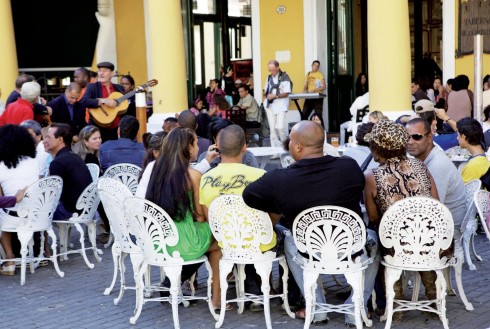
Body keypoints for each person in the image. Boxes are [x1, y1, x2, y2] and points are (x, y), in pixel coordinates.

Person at [243, 121, 377, 325]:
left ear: (297, 146)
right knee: (373, 239)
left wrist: (279, 204)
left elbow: (248, 196)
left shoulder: (279, 179)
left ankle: (316, 307)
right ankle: (355, 307)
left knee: (288, 237)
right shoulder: (348, 166)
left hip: (308, 251)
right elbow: (357, 187)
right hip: (351, 249)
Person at [135, 127, 223, 309]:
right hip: (183, 242)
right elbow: (200, 217)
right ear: (188, 148)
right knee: (219, 242)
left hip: (156, 241)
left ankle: (175, 281)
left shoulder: (155, 169)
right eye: (196, 144)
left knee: (203, 239)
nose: (199, 148)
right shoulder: (194, 175)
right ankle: (217, 297)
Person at [363, 119, 439, 319]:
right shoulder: (421, 166)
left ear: (376, 147)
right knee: (419, 239)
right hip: (430, 240)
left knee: (380, 239)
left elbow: (373, 216)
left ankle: (396, 305)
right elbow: (436, 203)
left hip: (397, 244)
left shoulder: (372, 176)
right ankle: (433, 295)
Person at [199, 125, 270, 311]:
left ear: (218, 146)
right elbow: (272, 212)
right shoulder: (261, 176)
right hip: (257, 241)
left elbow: (208, 217)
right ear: (245, 147)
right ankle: (261, 291)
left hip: (223, 240)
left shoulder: (205, 178)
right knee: (278, 234)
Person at [406, 118, 466, 243]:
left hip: (447, 229)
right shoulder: (426, 157)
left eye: (416, 137)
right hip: (441, 221)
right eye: (407, 137)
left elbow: (432, 209)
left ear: (429, 138)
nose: (410, 142)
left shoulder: (437, 164)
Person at [0, 125, 39, 276]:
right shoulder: (33, 161)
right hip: (38, 214)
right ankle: (43, 253)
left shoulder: (1, 166)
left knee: (2, 216)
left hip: (14, 216)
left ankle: (9, 258)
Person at [43, 123, 92, 221]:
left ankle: (37, 237)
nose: (44, 141)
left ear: (60, 140)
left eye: (48, 137)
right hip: (85, 209)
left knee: (34, 210)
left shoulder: (58, 162)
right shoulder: (74, 157)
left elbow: (51, 196)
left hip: (70, 211)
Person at [80, 61, 125, 142]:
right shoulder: (92, 87)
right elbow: (83, 101)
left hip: (116, 130)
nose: (101, 73)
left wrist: (137, 92)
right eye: (100, 70)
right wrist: (104, 101)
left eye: (105, 70)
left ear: (112, 73)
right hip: (98, 129)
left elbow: (126, 104)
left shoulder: (119, 88)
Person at [264, 60, 292, 157]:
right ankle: (275, 152)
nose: (271, 72)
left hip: (281, 105)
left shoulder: (285, 77)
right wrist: (266, 98)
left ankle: (285, 149)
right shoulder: (268, 78)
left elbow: (287, 92)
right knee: (273, 130)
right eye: (269, 70)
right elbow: (265, 91)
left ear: (277, 67)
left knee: (280, 127)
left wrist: (275, 96)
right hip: (270, 106)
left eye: (272, 70)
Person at [456, 117, 490, 183]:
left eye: (458, 135)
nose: (457, 138)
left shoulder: (473, 165)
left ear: (463, 137)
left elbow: (464, 191)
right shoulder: (481, 158)